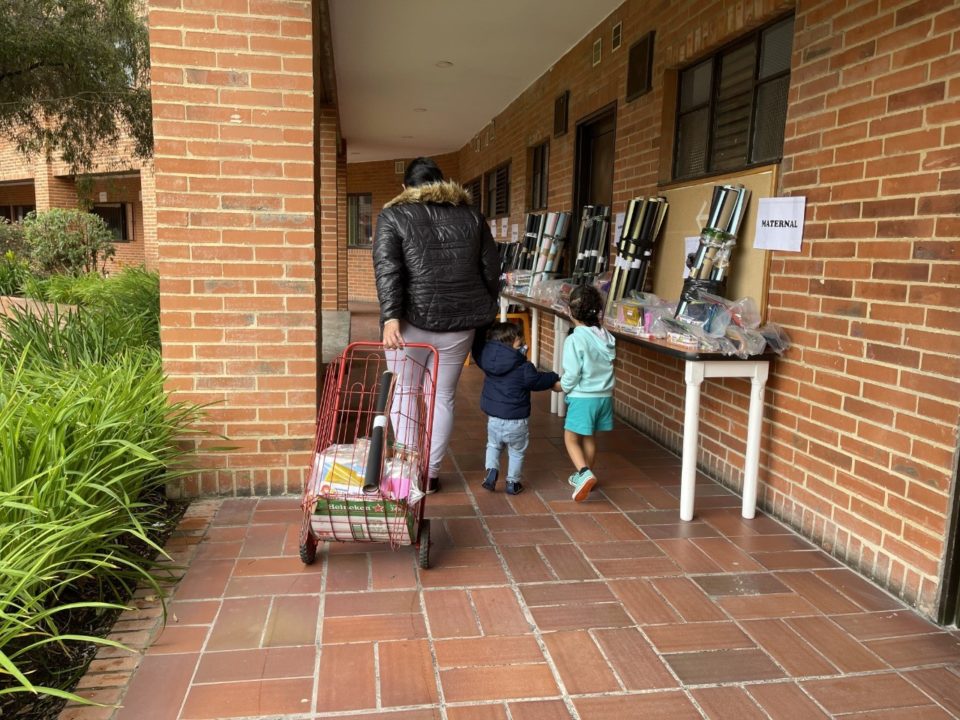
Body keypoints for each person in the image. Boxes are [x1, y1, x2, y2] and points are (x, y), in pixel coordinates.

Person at [372, 157, 499, 494]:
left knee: (404, 393)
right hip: (460, 325)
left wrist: (390, 317)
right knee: (442, 397)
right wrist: (487, 311)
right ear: (444, 184)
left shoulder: (393, 215)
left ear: (405, 188)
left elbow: (388, 269)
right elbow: (491, 270)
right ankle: (430, 474)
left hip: (409, 325)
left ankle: (410, 469)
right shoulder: (472, 216)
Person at [475, 321, 561, 495]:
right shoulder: (524, 367)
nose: (525, 347)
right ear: (510, 347)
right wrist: (553, 377)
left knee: (493, 445)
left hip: (494, 419)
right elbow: (537, 381)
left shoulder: (488, 362)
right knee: (516, 452)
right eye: (521, 344)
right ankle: (512, 483)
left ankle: (491, 471)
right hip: (516, 422)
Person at [560, 284, 616, 502]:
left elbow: (572, 373)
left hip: (583, 397)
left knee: (571, 438)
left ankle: (584, 473)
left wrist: (562, 385)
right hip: (604, 397)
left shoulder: (575, 339)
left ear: (571, 311)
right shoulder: (606, 336)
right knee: (589, 436)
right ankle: (585, 474)